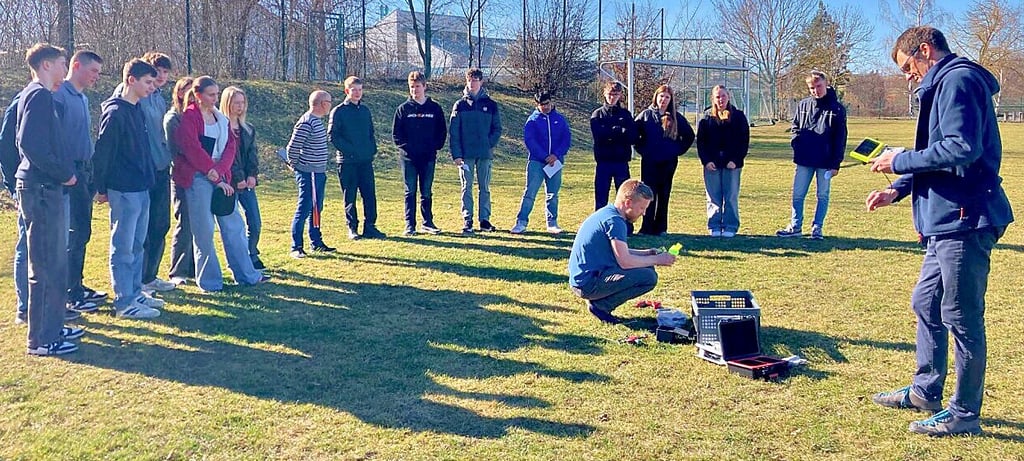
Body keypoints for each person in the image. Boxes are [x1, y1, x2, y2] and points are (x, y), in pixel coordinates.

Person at [867, 26, 1014, 437]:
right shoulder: (944, 83)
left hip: (965, 218)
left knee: (961, 315)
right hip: (943, 220)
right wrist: (898, 189)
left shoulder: (958, 80)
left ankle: (964, 413)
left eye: (907, 67)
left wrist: (900, 160)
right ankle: (925, 391)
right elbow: (941, 156)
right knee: (926, 303)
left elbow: (961, 148)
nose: (908, 76)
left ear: (925, 51)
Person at [16, 43, 84, 355]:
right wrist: (63, 173)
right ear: (46, 65)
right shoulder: (39, 95)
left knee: (55, 263)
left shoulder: (41, 95)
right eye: (61, 62)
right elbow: (29, 142)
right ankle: (42, 339)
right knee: (44, 264)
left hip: (46, 188)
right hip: (41, 189)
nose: (64, 68)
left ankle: (53, 327)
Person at [173, 76, 267, 291]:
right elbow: (191, 148)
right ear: (198, 95)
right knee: (204, 231)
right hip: (197, 177)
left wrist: (221, 172)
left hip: (221, 176)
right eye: (211, 94)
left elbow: (230, 147)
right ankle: (210, 282)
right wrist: (211, 172)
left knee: (234, 226)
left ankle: (247, 275)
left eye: (217, 94)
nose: (216, 98)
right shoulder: (189, 117)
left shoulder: (220, 118)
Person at [93, 59, 163, 319]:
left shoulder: (137, 110)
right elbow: (103, 153)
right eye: (147, 82)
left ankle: (135, 292)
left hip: (142, 187)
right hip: (124, 189)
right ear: (131, 80)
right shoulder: (115, 113)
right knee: (123, 246)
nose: (151, 88)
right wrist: (101, 188)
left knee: (137, 245)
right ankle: (124, 302)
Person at [568, 179, 676, 324]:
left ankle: (599, 303)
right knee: (648, 277)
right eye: (642, 208)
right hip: (587, 284)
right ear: (628, 203)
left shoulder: (608, 213)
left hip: (584, 278)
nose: (643, 213)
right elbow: (625, 261)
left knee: (646, 267)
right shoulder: (615, 222)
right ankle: (601, 306)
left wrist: (647, 253)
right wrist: (658, 259)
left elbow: (616, 251)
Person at [113, 52, 178, 292]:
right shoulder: (128, 94)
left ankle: (150, 276)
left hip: (161, 168)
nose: (161, 77)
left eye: (165, 72)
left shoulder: (159, 97)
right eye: (156, 71)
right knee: (139, 231)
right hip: (139, 172)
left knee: (160, 224)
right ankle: (136, 281)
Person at [54, 50, 107, 313]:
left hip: (85, 171)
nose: (97, 76)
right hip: (70, 173)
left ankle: (78, 284)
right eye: (93, 71)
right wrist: (67, 173)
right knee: (73, 234)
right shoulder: (59, 95)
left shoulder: (83, 98)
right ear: (76, 66)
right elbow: (56, 140)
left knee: (83, 232)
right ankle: (69, 293)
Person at [776, 70, 847, 240]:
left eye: (818, 86)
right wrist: (797, 144)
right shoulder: (803, 105)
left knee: (822, 195)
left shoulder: (837, 109)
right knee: (798, 194)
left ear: (826, 84)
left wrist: (835, 163)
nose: (816, 90)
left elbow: (841, 138)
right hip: (804, 159)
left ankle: (817, 227)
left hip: (826, 161)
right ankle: (795, 226)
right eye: (812, 88)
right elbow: (795, 127)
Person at [634, 85, 695, 236]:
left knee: (664, 194)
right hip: (650, 162)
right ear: (656, 97)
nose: (664, 99)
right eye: (661, 96)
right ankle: (646, 227)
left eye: (667, 97)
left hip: (668, 163)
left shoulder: (676, 117)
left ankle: (661, 227)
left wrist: (676, 150)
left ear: (671, 100)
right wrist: (643, 150)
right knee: (648, 194)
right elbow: (635, 135)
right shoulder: (646, 115)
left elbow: (689, 136)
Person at [329, 76, 385, 240]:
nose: (357, 93)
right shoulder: (339, 111)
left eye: (360, 90)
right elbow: (333, 136)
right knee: (350, 195)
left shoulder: (365, 110)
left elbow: (370, 133)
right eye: (354, 90)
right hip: (347, 162)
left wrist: (371, 150)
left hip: (365, 161)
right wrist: (350, 151)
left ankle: (370, 227)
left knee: (369, 195)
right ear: (347, 91)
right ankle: (352, 227)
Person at [392, 71, 447, 236]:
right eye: (412, 87)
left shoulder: (434, 108)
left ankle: (427, 222)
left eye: (417, 86)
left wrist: (434, 147)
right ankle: (410, 225)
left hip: (428, 157)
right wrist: (408, 149)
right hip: (408, 159)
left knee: (426, 191)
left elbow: (442, 131)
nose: (415, 90)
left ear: (424, 86)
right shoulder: (403, 109)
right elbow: (396, 135)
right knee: (410, 191)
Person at [450, 68, 502, 234]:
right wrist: (456, 155)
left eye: (475, 80)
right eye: (470, 80)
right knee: (467, 187)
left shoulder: (491, 105)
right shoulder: (460, 105)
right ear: (466, 81)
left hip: (484, 155)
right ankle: (467, 220)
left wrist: (488, 144)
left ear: (481, 82)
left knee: (484, 187)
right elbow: (454, 132)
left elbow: (497, 129)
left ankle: (484, 220)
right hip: (466, 155)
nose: (472, 83)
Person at [511, 91, 570, 235]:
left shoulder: (560, 119)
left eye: (548, 103)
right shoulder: (533, 120)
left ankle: (552, 223)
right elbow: (530, 141)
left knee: (552, 194)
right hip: (537, 162)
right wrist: (544, 156)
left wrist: (556, 155)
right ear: (537, 105)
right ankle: (521, 222)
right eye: (543, 104)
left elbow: (566, 139)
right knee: (530, 193)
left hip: (555, 162)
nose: (546, 107)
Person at [286, 90, 335, 257]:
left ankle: (316, 242)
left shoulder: (317, 121)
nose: (330, 105)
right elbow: (291, 149)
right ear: (322, 104)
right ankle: (296, 246)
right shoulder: (306, 122)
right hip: (309, 173)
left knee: (316, 208)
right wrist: (296, 165)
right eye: (329, 101)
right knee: (305, 208)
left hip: (318, 172)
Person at [696, 85, 749, 238]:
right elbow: (701, 142)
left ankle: (730, 225)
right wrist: (706, 161)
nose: (721, 99)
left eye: (723, 96)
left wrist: (736, 159)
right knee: (713, 196)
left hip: (732, 164)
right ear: (713, 99)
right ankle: (714, 225)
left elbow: (743, 140)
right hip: (711, 164)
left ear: (728, 97)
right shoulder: (706, 118)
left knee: (731, 195)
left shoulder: (738, 117)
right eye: (717, 97)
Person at [220, 86, 264, 269]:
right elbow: (228, 156)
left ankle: (252, 253)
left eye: (242, 102)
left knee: (255, 221)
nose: (240, 106)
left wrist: (252, 175)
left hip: (247, 183)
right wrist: (238, 177)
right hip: (229, 183)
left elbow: (252, 154)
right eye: (236, 102)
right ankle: (237, 259)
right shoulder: (221, 127)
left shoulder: (248, 129)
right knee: (233, 226)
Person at [166, 77, 196, 284]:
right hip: (181, 177)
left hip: (199, 176)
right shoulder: (173, 118)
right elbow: (176, 150)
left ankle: (193, 268)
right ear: (178, 93)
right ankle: (178, 271)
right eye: (187, 91)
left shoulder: (196, 117)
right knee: (184, 222)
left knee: (198, 224)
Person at [590, 81, 636, 211]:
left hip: (621, 161)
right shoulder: (597, 115)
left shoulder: (626, 115)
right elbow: (600, 136)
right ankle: (599, 225)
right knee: (601, 197)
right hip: (603, 161)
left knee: (624, 196)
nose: (612, 97)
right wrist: (619, 131)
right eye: (610, 94)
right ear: (604, 94)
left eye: (615, 94)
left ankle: (625, 225)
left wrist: (613, 133)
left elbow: (632, 136)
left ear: (620, 95)